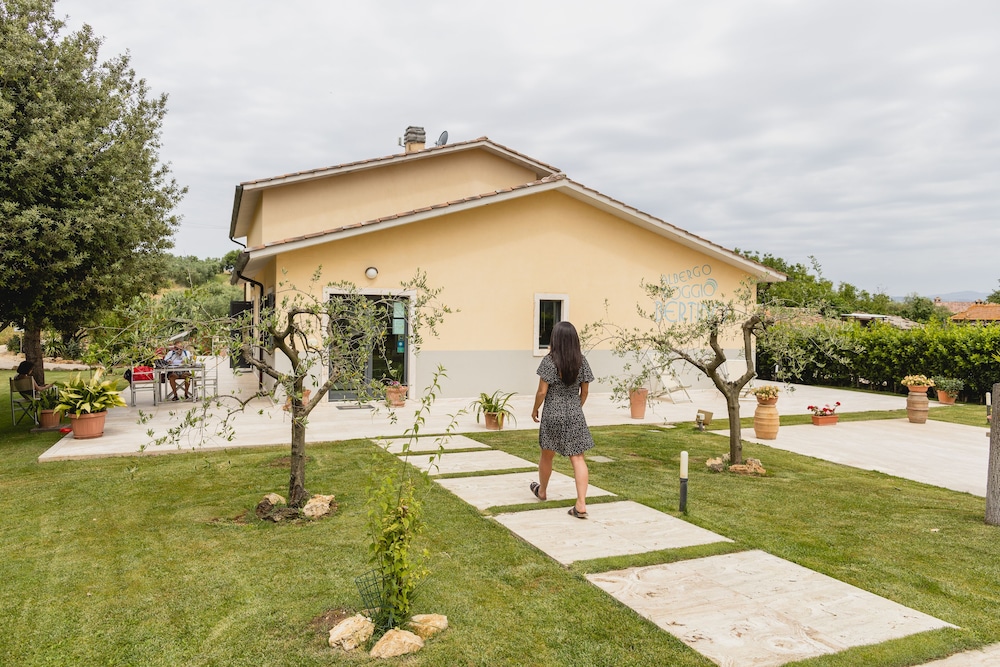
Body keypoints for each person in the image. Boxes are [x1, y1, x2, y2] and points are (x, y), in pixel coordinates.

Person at [530, 321, 595, 519]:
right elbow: (585, 392)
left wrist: (535, 409)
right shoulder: (581, 361)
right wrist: (576, 407)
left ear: (555, 339)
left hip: (552, 413)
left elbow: (542, 392)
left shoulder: (549, 361)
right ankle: (581, 504)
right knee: (578, 458)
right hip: (574, 412)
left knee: (547, 454)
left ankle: (542, 491)